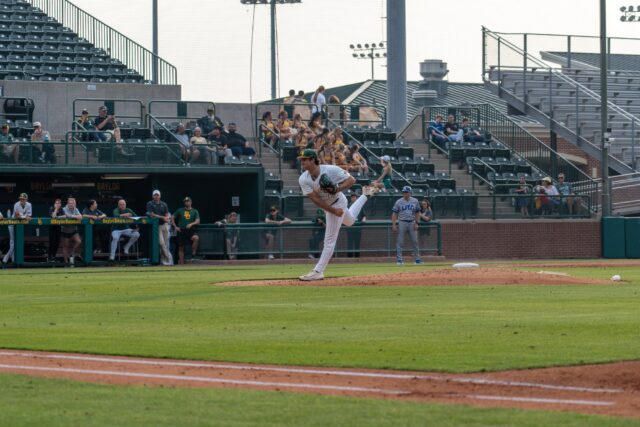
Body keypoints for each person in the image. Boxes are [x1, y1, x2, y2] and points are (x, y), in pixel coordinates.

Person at [297, 149, 377, 280]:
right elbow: (315, 199)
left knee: (329, 240)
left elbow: (351, 180)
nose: (302, 161)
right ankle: (365, 195)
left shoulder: (330, 169)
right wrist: (332, 210)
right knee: (350, 222)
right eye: (302, 159)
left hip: (338, 202)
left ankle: (318, 271)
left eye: (305, 159)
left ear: (312, 160)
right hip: (330, 207)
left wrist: (337, 189)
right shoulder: (303, 179)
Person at [391, 186, 422, 265]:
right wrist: (394, 224)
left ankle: (417, 259)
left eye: (406, 192)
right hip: (402, 222)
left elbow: (418, 212)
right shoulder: (399, 202)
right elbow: (394, 213)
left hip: (412, 222)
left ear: (410, 193)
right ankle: (399, 260)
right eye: (404, 192)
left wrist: (417, 223)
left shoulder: (415, 201)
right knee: (400, 241)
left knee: (415, 241)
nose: (405, 194)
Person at [2, 192, 32, 265]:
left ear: (26, 199)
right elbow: (17, 216)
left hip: (19, 225)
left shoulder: (29, 205)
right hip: (12, 224)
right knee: (13, 242)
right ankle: (6, 258)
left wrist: (24, 217)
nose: (21, 200)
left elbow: (29, 216)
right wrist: (24, 217)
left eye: (23, 199)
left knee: (16, 242)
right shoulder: (16, 204)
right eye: (21, 199)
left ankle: (12, 259)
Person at [146, 190, 173, 266]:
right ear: (152, 196)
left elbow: (167, 213)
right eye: (155, 195)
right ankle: (169, 259)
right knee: (161, 244)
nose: (156, 196)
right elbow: (152, 214)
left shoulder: (164, 204)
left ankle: (164, 262)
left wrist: (167, 217)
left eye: (157, 195)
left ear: (160, 196)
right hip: (157, 226)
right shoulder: (150, 204)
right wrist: (163, 217)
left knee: (165, 244)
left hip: (165, 225)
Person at [172, 196, 200, 264]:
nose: (187, 203)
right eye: (185, 201)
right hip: (181, 230)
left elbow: (198, 221)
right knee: (181, 247)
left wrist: (191, 224)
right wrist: (175, 226)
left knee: (196, 238)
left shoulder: (194, 211)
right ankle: (181, 263)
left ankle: (193, 255)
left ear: (191, 202)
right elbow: (172, 217)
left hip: (190, 230)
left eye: (188, 201)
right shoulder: (180, 210)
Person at [59, 197, 83, 267]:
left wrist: (72, 216)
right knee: (65, 246)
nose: (71, 204)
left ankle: (72, 252)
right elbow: (66, 215)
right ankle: (66, 262)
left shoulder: (76, 209)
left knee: (79, 241)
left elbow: (80, 217)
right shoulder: (64, 209)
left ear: (74, 204)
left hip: (73, 230)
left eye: (72, 203)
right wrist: (74, 216)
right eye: (70, 203)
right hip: (65, 230)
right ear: (67, 203)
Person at [346, 192, 367, 258]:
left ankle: (357, 257)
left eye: (355, 197)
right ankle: (349, 257)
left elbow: (364, 215)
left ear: (356, 198)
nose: (353, 198)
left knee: (357, 243)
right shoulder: (348, 206)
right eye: (352, 197)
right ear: (350, 198)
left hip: (358, 228)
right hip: (350, 228)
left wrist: (364, 219)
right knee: (350, 243)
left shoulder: (359, 206)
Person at [48, 197, 63, 262]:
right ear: (54, 204)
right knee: (52, 242)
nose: (57, 204)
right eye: (56, 203)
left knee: (57, 242)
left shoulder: (61, 209)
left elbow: (65, 216)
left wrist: (58, 217)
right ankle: (50, 257)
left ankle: (53, 256)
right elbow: (53, 216)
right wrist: (56, 209)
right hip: (52, 227)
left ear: (60, 204)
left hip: (58, 227)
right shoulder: (51, 208)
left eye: (59, 203)